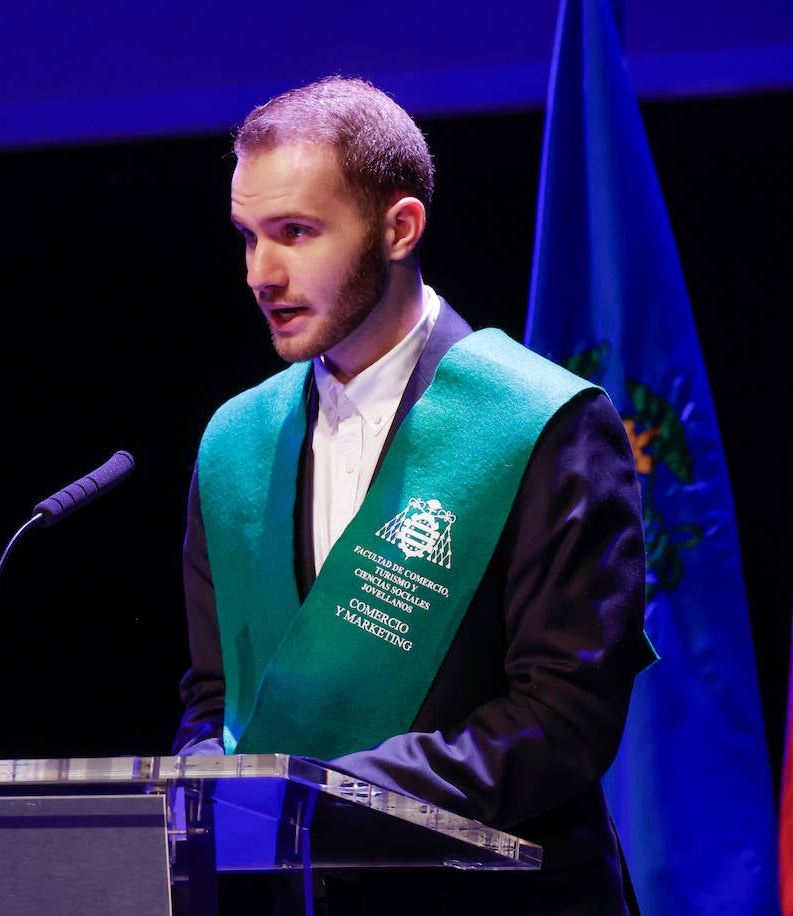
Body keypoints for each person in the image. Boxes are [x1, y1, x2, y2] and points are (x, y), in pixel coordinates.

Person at [171, 75, 656, 914]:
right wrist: (198, 788)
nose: (260, 271)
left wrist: (315, 799)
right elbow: (216, 699)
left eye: (295, 232)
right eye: (247, 236)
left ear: (399, 228)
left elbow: (565, 718)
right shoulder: (235, 441)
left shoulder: (543, 422)